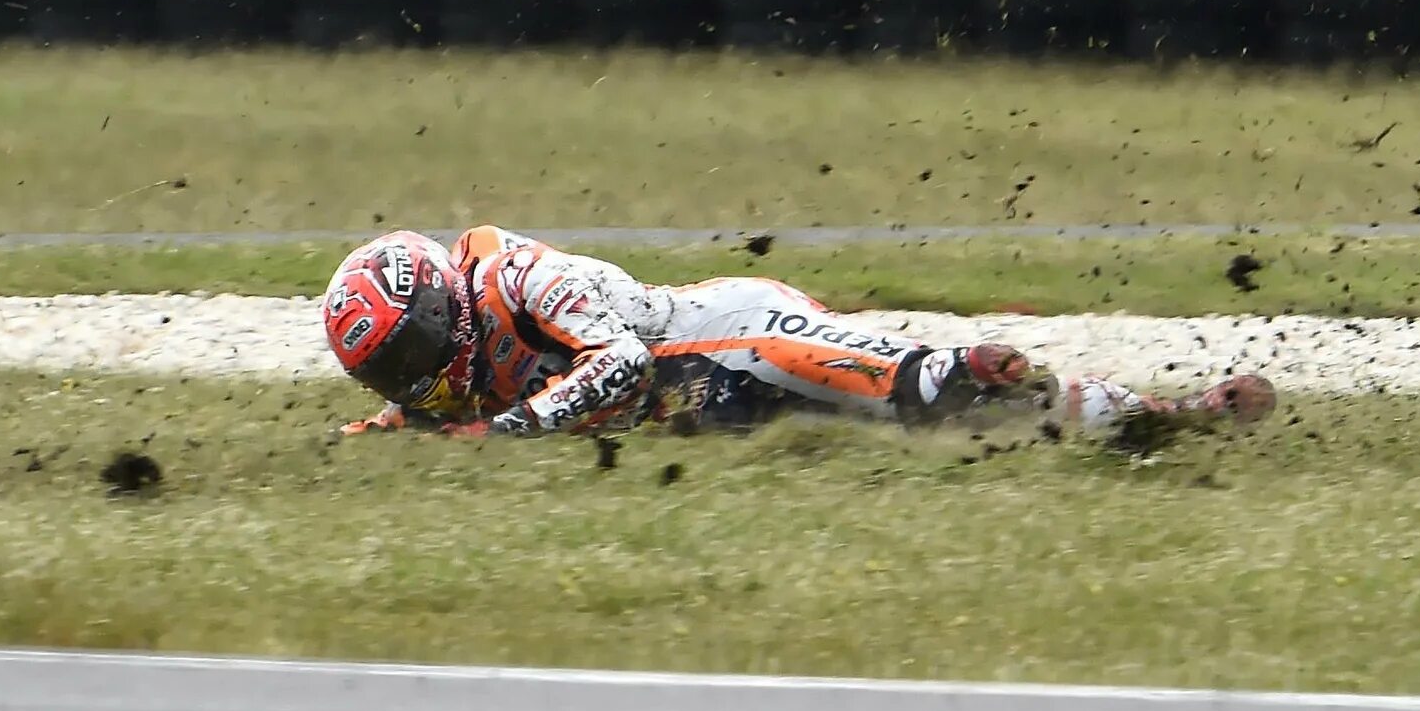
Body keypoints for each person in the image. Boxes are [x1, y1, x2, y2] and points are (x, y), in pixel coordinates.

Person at [324, 227, 1275, 440]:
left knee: (920, 392)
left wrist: (504, 431)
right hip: (689, 417)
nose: (411, 377)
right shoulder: (430, 389)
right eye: (388, 372)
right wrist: (401, 428)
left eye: (411, 350)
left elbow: (615, 367)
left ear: (449, 303)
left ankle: (1172, 411)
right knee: (934, 443)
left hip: (715, 337)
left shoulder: (526, 279)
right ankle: (1141, 419)